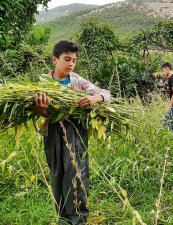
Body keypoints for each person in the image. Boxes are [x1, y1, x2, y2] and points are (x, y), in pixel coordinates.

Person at [34, 40, 111, 225]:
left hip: (76, 132)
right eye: (67, 59)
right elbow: (39, 117)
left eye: (74, 60)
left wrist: (95, 98)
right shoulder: (43, 84)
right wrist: (43, 111)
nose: (71, 64)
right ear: (55, 59)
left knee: (77, 174)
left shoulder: (77, 81)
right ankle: (63, 219)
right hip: (52, 135)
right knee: (57, 174)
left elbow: (106, 94)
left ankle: (79, 219)